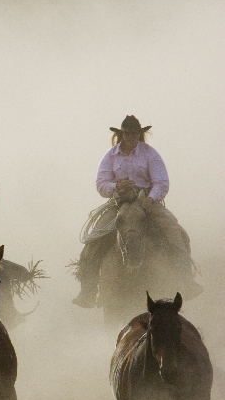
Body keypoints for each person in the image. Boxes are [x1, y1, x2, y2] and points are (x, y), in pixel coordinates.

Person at [72, 115, 200, 307]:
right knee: (94, 239)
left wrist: (150, 199)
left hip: (147, 202)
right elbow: (101, 183)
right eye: (127, 133)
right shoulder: (110, 155)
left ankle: (186, 280)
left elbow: (161, 182)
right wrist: (117, 186)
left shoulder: (150, 154)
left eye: (134, 133)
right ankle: (88, 290)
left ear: (139, 134)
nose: (131, 136)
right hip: (118, 203)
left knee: (174, 231)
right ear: (121, 134)